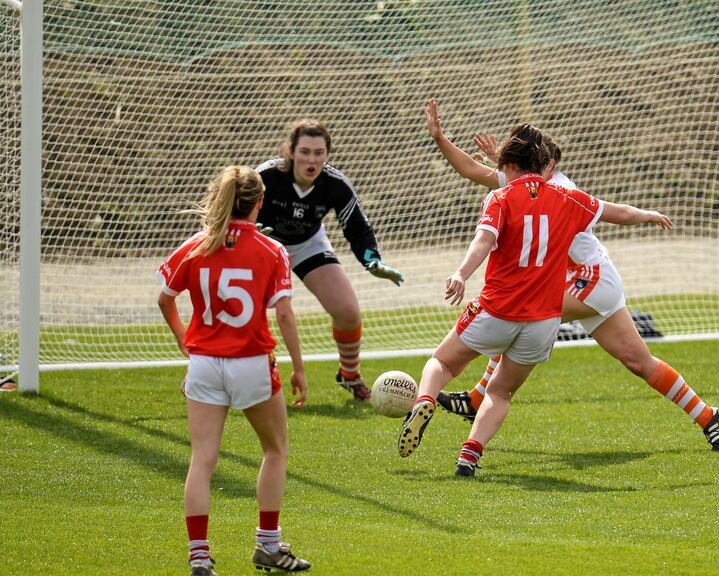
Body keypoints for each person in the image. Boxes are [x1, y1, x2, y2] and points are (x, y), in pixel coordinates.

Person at [422, 99, 719, 452]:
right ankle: (709, 416)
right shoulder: (529, 185)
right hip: (590, 284)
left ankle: (479, 397)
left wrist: (646, 213)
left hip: (593, 278)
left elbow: (613, 211)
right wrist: (440, 137)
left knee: (519, 309)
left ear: (548, 165)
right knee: (639, 362)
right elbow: (470, 170)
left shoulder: (561, 190)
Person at [400, 120, 674, 477]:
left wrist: (460, 274)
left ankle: (423, 402)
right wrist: (648, 214)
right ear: (543, 163)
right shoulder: (566, 197)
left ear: (508, 165)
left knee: (443, 364)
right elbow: (616, 212)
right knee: (500, 394)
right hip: (544, 321)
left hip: (498, 309)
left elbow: (483, 241)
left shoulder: (499, 197)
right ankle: (469, 455)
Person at [157, 166, 312, 575]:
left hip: (205, 365)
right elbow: (284, 314)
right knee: (275, 449)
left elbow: (164, 298)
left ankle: (199, 557)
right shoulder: (272, 249)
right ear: (260, 202)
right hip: (251, 364)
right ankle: (268, 545)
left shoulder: (196, 245)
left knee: (202, 460)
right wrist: (299, 367)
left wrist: (183, 340)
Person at [256, 119, 405, 400]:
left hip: (306, 244)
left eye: (319, 153)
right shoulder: (266, 177)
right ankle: (249, 370)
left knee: (348, 311)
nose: (312, 160)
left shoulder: (335, 184)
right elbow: (236, 207)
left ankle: (349, 375)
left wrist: (372, 260)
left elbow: (357, 227)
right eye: (305, 152)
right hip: (263, 246)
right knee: (250, 315)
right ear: (290, 151)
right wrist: (249, 231)